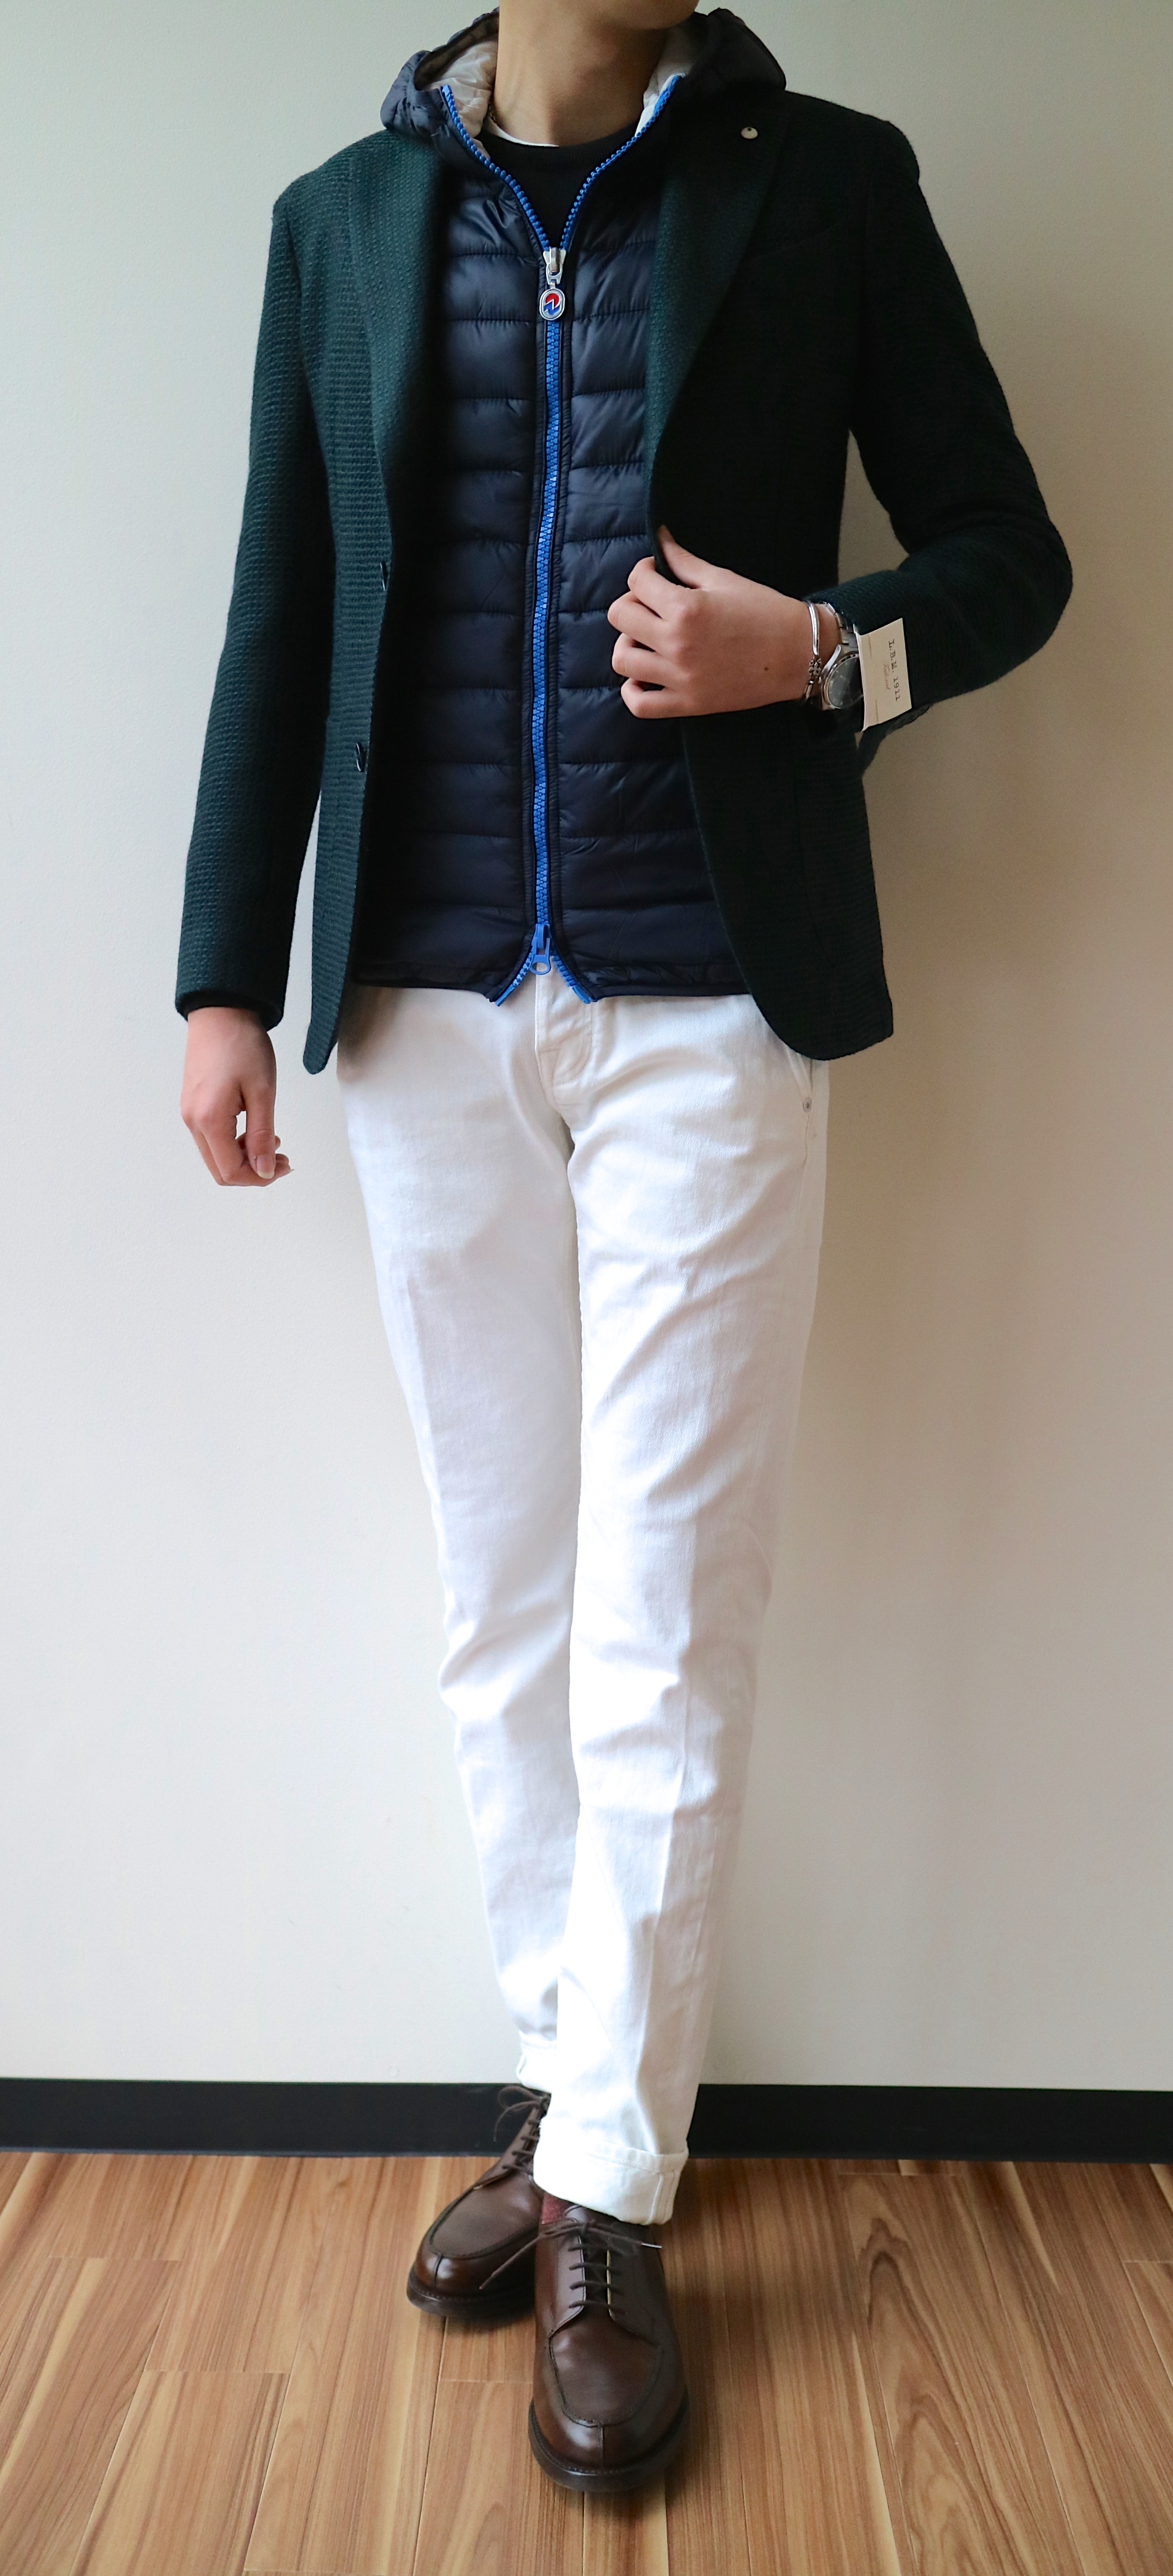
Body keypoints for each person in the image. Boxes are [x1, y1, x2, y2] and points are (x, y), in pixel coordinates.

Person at [177, 0, 1071, 2495]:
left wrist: (826, 652)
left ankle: (605, 2198)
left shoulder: (834, 184)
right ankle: (586, 2095)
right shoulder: (340, 226)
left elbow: (1016, 559)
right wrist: (221, 973)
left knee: (670, 1611)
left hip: (712, 1005)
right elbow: (281, 611)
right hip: (423, 1008)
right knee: (505, 1599)